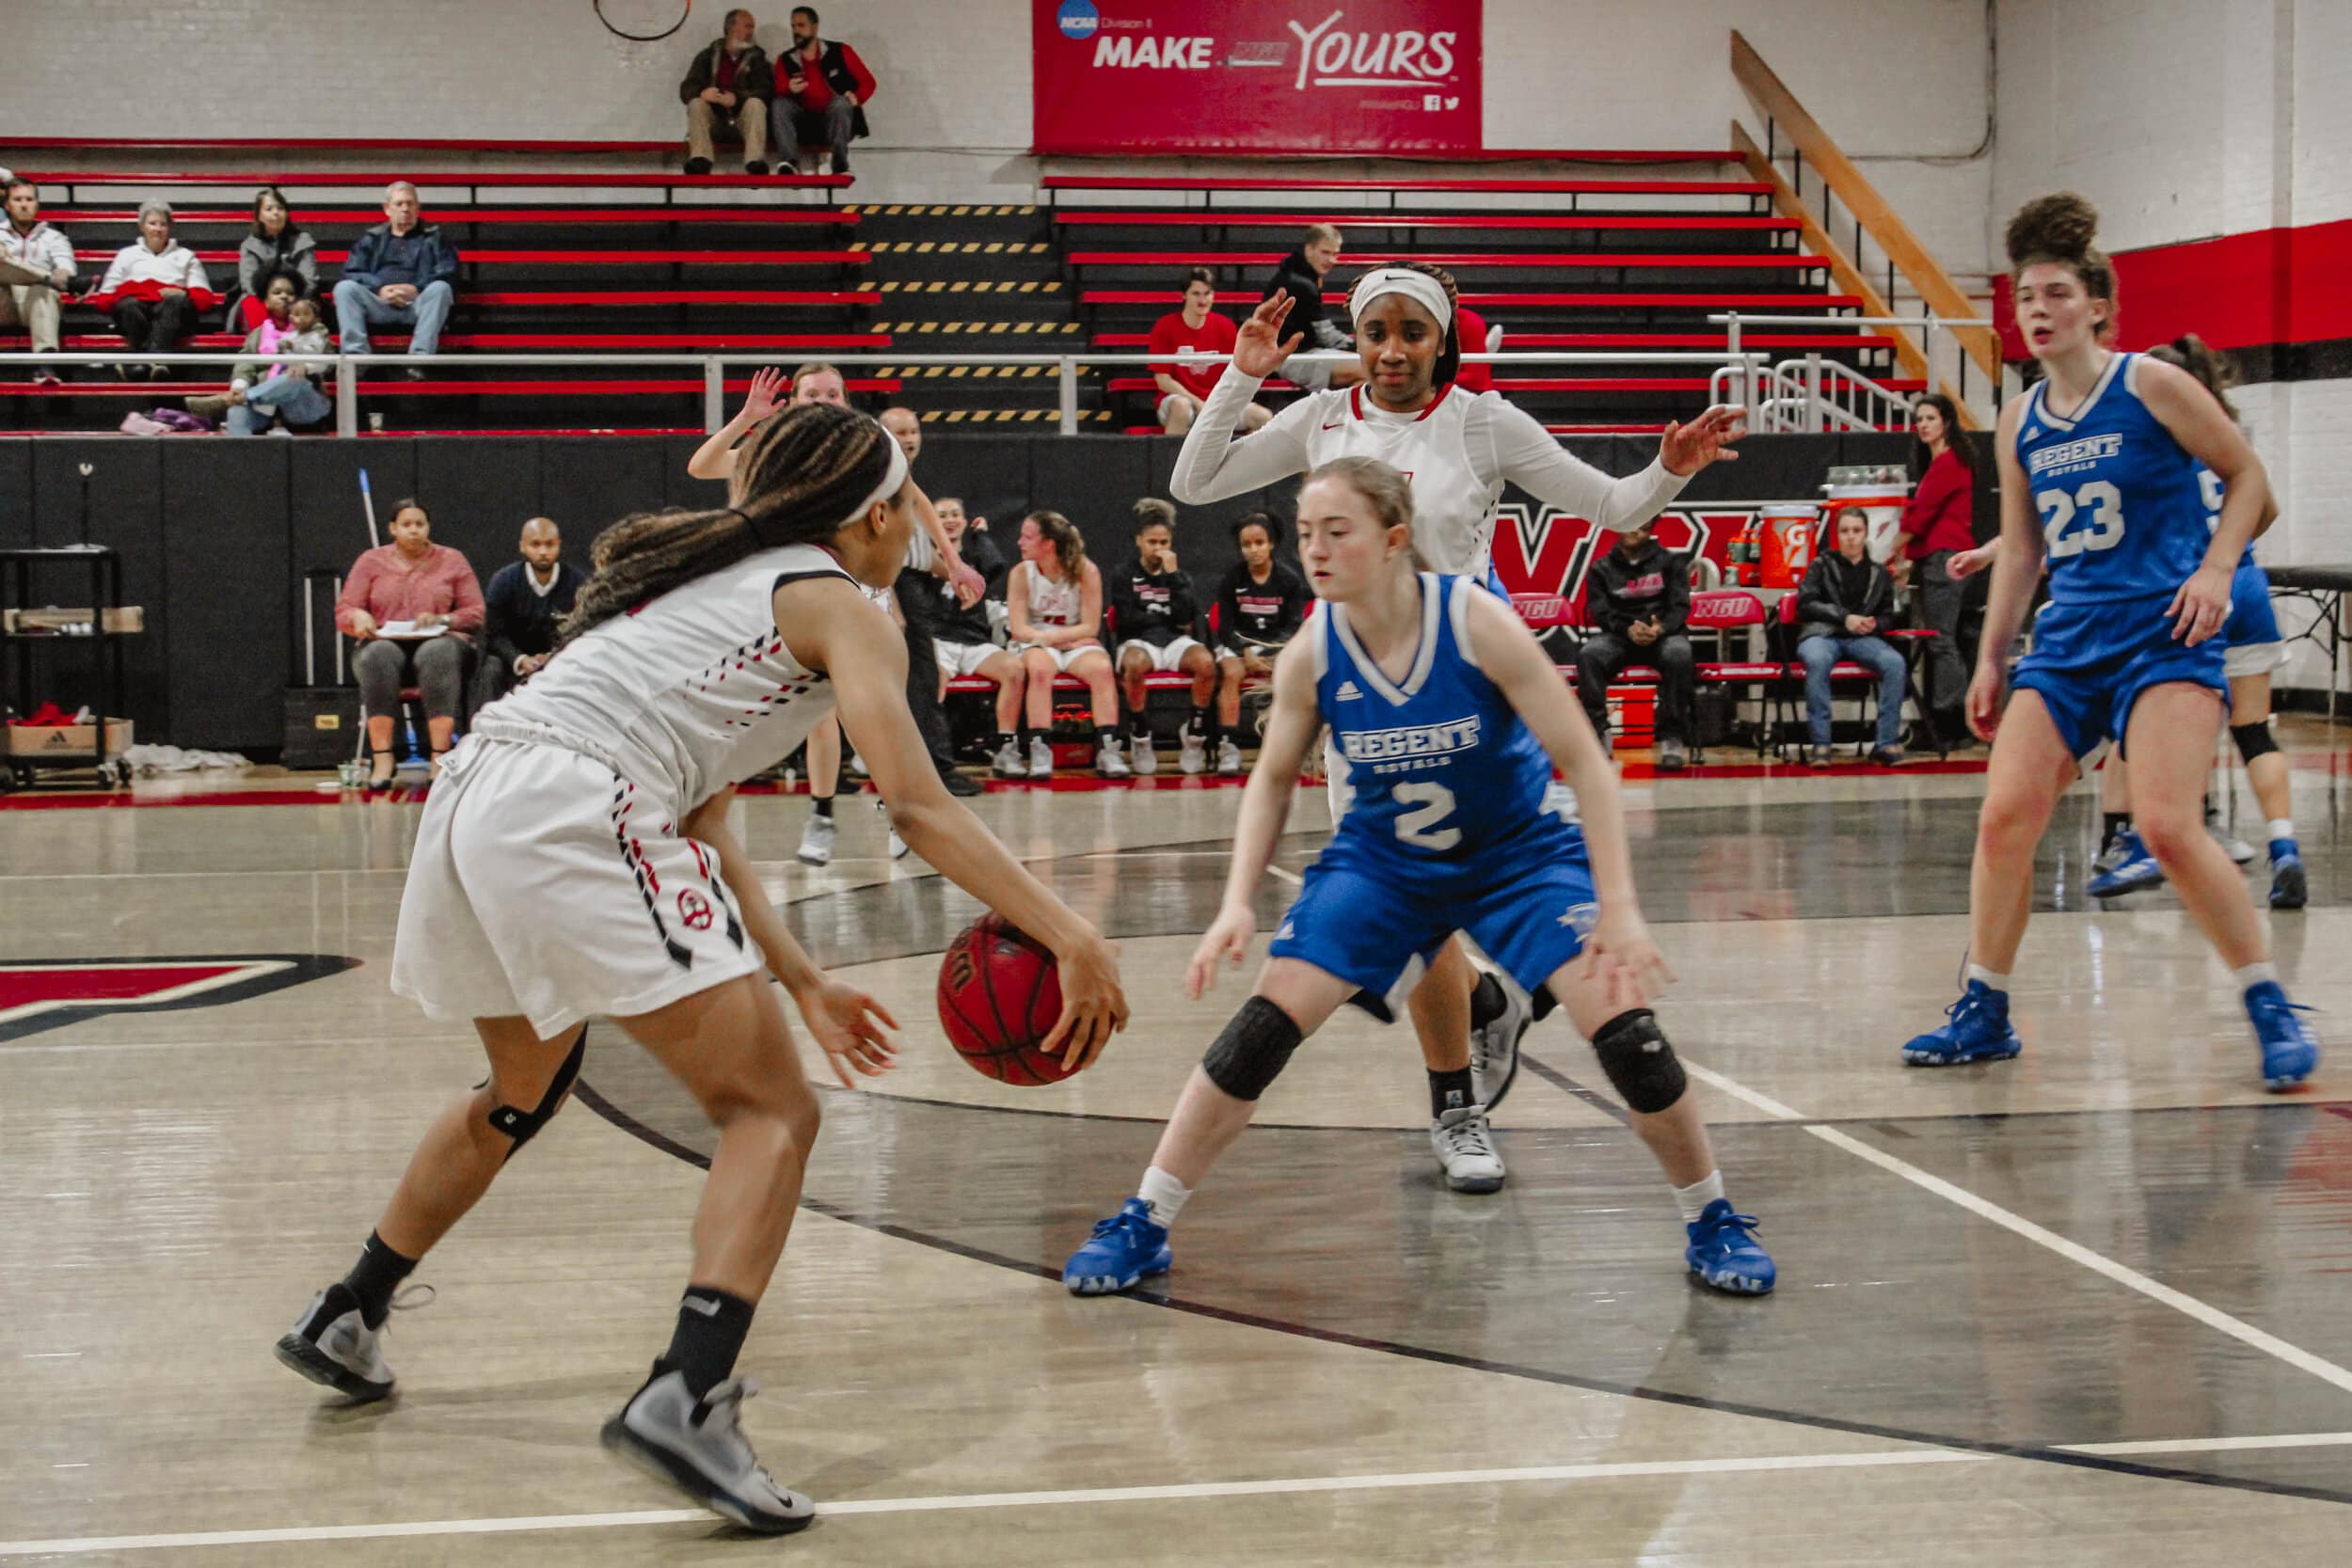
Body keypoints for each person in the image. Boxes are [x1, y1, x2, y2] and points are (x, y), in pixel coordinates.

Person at [275, 402, 1127, 1535]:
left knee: (519, 1093)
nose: (919, 529)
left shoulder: (691, 584)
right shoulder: (848, 603)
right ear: (872, 517)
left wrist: (802, 978)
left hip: (480, 792)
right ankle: (688, 1392)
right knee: (769, 1110)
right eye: (910, 506)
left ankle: (350, 1307)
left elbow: (708, 828)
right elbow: (917, 804)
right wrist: (1071, 931)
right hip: (579, 801)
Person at [1061, 457, 1774, 1297]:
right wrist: (1233, 904)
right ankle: (1145, 1218)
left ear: (1395, 539)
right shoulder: (1314, 650)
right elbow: (1274, 779)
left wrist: (1619, 906)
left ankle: (1712, 1215)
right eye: (1306, 534)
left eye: (1338, 532)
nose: (1315, 551)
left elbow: (1583, 759)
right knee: (1259, 1029)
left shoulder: (1476, 622)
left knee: (1630, 1036)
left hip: (1515, 856)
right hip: (1386, 862)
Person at [1169, 260, 1744, 1184]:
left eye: (1412, 331)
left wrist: (1666, 471)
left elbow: (1610, 503)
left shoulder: (1481, 420)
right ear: (1353, 342)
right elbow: (1195, 482)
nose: (1392, 350)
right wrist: (1239, 371)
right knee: (1414, 913)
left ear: (1445, 340)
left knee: (1429, 895)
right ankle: (1481, 1013)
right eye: (1374, 332)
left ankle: (1457, 1105)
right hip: (1360, 689)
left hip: (1469, 686)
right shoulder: (1320, 418)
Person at [1898, 193, 2317, 1091]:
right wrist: (1990, 653)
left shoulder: (2153, 385)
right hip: (2070, 640)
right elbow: (2024, 550)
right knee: (2005, 814)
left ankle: (2266, 997)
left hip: (2163, 634)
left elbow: (2251, 481)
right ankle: (1985, 1006)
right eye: (2023, 299)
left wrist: (2213, 569)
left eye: (2053, 293)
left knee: (2165, 827)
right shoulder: (2019, 422)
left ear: (2096, 304)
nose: (2036, 311)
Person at [335, 499, 485, 789]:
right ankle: (383, 757)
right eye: (406, 525)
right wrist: (359, 615)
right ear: (393, 528)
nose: (414, 531)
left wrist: (444, 620)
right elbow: (345, 609)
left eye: (420, 524)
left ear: (428, 527)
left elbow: (475, 612)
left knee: (436, 653)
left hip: (443, 647)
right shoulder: (370, 561)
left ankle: (439, 757)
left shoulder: (452, 559)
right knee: (377, 654)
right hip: (386, 645)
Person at [878, 405, 986, 799]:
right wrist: (893, 602)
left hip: (912, 582)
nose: (909, 438)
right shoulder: (881, 479)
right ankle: (935, 772)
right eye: (900, 431)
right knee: (920, 681)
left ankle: (919, 770)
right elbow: (880, 549)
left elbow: (917, 551)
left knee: (919, 681)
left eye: (914, 430)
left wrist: (954, 572)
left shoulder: (902, 478)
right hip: (891, 585)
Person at [1007, 509, 1126, 779]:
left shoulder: (1086, 570)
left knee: (1102, 670)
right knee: (1038, 671)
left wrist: (1054, 638)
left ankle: (1108, 749)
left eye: (1027, 537)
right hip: (1043, 641)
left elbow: (1091, 625)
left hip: (1072, 642)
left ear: (1048, 544)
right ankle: (1040, 749)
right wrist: (1051, 639)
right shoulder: (1021, 573)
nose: (1020, 542)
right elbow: (1018, 628)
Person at [1576, 520, 1696, 768]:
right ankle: (1600, 734)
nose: (1635, 530)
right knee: (1590, 655)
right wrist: (1626, 628)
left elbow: (1680, 606)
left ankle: (1671, 738)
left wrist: (1659, 628)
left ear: (1652, 529)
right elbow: (1599, 611)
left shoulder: (1671, 563)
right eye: (1630, 524)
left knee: (1680, 654)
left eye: (1643, 526)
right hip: (1619, 637)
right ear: (1618, 526)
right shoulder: (1601, 569)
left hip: (1662, 637)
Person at [1793, 509, 1908, 767]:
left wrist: (1875, 623)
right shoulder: (1820, 564)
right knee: (1818, 660)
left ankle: (1886, 743)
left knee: (1895, 663)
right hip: (1822, 633)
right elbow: (1806, 603)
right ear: (1837, 535)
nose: (1851, 537)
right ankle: (1821, 745)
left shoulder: (1879, 573)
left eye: (1856, 531)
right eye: (1845, 531)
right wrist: (1845, 617)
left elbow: (1889, 615)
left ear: (1866, 533)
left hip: (1861, 637)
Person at [1111, 498, 1216, 775]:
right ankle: (1140, 734)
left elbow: (1184, 618)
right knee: (1133, 665)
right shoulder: (1124, 575)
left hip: (1173, 642)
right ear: (1139, 541)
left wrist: (1173, 578)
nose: (1159, 549)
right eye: (1152, 542)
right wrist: (1161, 616)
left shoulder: (1178, 576)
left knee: (1206, 664)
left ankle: (1194, 734)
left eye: (1164, 543)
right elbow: (1127, 620)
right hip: (1139, 641)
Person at [1894, 392, 1976, 747]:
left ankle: (1950, 722)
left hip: (1946, 557)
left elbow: (1921, 517)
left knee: (1941, 641)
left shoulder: (1948, 463)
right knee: (1941, 640)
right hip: (1941, 556)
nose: (1923, 425)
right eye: (1919, 419)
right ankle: (1948, 719)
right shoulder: (1944, 462)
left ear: (1946, 421)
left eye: (1930, 418)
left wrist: (1894, 550)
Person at [930, 496, 1030, 778]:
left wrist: (982, 535)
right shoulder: (925, 555)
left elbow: (996, 568)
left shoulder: (977, 553)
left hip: (973, 639)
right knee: (933, 677)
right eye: (942, 515)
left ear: (964, 521)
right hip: (938, 640)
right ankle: (932, 753)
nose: (949, 520)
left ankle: (1005, 749)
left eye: (955, 514)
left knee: (1014, 670)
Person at [1210, 510, 1311, 776]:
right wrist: (1244, 650)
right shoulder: (1232, 580)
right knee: (1230, 673)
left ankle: (1282, 748)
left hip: (1274, 648)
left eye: (1259, 543)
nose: (1253, 550)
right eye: (1246, 545)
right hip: (1240, 648)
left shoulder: (1289, 580)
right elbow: (1226, 625)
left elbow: (1293, 626)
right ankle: (1228, 746)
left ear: (1272, 544)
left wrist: (1268, 654)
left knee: (1286, 674)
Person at [332, 182, 460, 376]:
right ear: (387, 209)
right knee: (344, 289)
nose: (405, 209)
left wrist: (416, 288)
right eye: (399, 204)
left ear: (418, 208)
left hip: (418, 305)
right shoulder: (371, 239)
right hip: (380, 304)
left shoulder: (435, 238)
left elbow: (449, 272)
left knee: (441, 288)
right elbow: (352, 271)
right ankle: (356, 358)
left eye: (410, 204)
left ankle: (419, 360)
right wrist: (380, 289)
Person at [87, 201, 214, 380]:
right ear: (142, 227)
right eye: (152, 223)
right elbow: (104, 301)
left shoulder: (186, 256)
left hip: (175, 314)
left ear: (170, 227)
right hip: (136, 313)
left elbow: (204, 300)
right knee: (130, 305)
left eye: (163, 224)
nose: (158, 229)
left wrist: (183, 293)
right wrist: (139, 290)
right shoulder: (126, 255)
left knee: (174, 303)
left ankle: (147, 363)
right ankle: (152, 362)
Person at [477, 517, 586, 707]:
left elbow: (584, 630)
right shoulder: (503, 581)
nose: (543, 551)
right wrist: (519, 660)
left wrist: (553, 655)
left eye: (549, 544)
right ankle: (483, 727)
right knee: (490, 669)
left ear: (559, 545)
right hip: (513, 659)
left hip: (561, 657)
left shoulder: (577, 582)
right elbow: (495, 634)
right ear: (523, 546)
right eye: (535, 544)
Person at [1148, 269, 1266, 436]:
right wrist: (1197, 402)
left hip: (1217, 401)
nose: (1202, 300)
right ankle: (1172, 460)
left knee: (1263, 417)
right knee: (1181, 407)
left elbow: (1236, 372)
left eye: (1207, 293)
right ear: (1184, 295)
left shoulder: (1226, 326)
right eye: (1196, 293)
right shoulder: (1165, 326)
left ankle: (1246, 461)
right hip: (1180, 399)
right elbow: (1163, 380)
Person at [771, 6, 875, 176]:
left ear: (815, 27)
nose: (796, 31)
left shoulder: (840, 51)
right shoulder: (785, 59)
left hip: (833, 120)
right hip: (802, 123)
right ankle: (789, 163)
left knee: (841, 102)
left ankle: (840, 165)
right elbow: (776, 89)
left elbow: (868, 82)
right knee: (779, 104)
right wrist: (789, 87)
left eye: (801, 25)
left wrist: (857, 97)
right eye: (793, 26)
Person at [217, 280, 332, 436]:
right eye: (277, 293)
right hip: (265, 407)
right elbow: (245, 365)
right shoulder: (258, 334)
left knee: (292, 377)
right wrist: (238, 387)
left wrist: (305, 366)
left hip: (301, 403)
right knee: (236, 412)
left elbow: (329, 360)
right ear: (266, 302)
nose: (284, 297)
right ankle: (242, 457)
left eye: (290, 294)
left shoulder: (315, 329)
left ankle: (244, 397)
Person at [1257, 224, 1359, 392]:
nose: (1332, 260)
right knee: (1369, 369)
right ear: (1309, 249)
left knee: (1366, 377)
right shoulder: (1300, 283)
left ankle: (1344, 417)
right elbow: (1325, 334)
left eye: (1335, 254)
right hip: (1291, 358)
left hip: (1295, 354)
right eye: (1325, 253)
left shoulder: (1296, 275)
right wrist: (1358, 344)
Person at [679, 8, 772, 175]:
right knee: (696, 103)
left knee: (756, 103)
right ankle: (701, 159)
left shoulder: (758, 59)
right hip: (715, 122)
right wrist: (703, 92)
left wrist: (737, 99)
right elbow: (686, 88)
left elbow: (766, 91)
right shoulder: (707, 56)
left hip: (742, 123)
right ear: (731, 28)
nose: (751, 32)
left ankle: (755, 161)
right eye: (748, 26)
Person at [0, 178, 74, 384]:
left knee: (43, 290)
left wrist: (59, 275)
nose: (24, 204)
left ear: (37, 204)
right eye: (17, 199)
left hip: (36, 305)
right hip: (3, 303)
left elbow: (67, 272)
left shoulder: (54, 237)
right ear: (7, 205)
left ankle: (45, 365)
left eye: (29, 199)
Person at [227, 185, 318, 332]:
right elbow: (248, 284)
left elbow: (309, 281)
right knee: (251, 303)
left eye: (280, 208)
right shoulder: (249, 245)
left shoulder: (303, 241)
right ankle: (262, 349)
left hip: (296, 296)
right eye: (269, 209)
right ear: (259, 216)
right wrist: (271, 300)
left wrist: (288, 297)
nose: (276, 213)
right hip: (263, 299)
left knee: (305, 306)